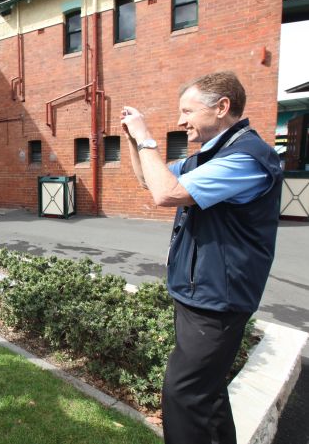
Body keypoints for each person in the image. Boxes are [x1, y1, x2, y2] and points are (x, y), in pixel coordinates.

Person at [120, 71, 282, 444]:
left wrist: (146, 136)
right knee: (206, 393)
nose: (180, 121)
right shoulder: (210, 157)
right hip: (200, 292)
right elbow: (148, 180)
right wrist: (133, 141)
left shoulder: (247, 158)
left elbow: (166, 193)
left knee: (184, 395)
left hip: (218, 299)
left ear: (222, 107)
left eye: (187, 111)